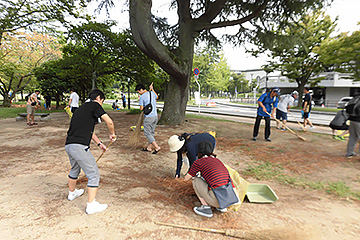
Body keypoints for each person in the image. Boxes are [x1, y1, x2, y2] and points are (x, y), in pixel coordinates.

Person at [65, 89, 117, 214]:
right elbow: (109, 121)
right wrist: (112, 134)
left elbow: (89, 131)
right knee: (93, 174)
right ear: (98, 98)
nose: (101, 105)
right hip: (79, 146)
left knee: (75, 169)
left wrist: (100, 144)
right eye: (102, 102)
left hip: (69, 145)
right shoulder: (94, 105)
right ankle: (91, 205)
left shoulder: (80, 109)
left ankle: (72, 193)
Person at [184, 140, 237, 218]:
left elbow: (187, 178)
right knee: (216, 181)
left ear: (198, 151)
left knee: (196, 180)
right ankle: (221, 207)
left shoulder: (199, 162)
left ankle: (206, 208)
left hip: (216, 200)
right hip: (229, 198)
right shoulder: (218, 161)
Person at [135, 83, 161, 154]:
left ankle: (156, 147)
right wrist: (152, 89)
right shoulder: (152, 93)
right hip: (155, 116)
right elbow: (157, 97)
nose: (139, 93)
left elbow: (141, 108)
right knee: (151, 132)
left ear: (141, 90)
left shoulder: (142, 97)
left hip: (149, 117)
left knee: (147, 133)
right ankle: (149, 148)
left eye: (138, 91)